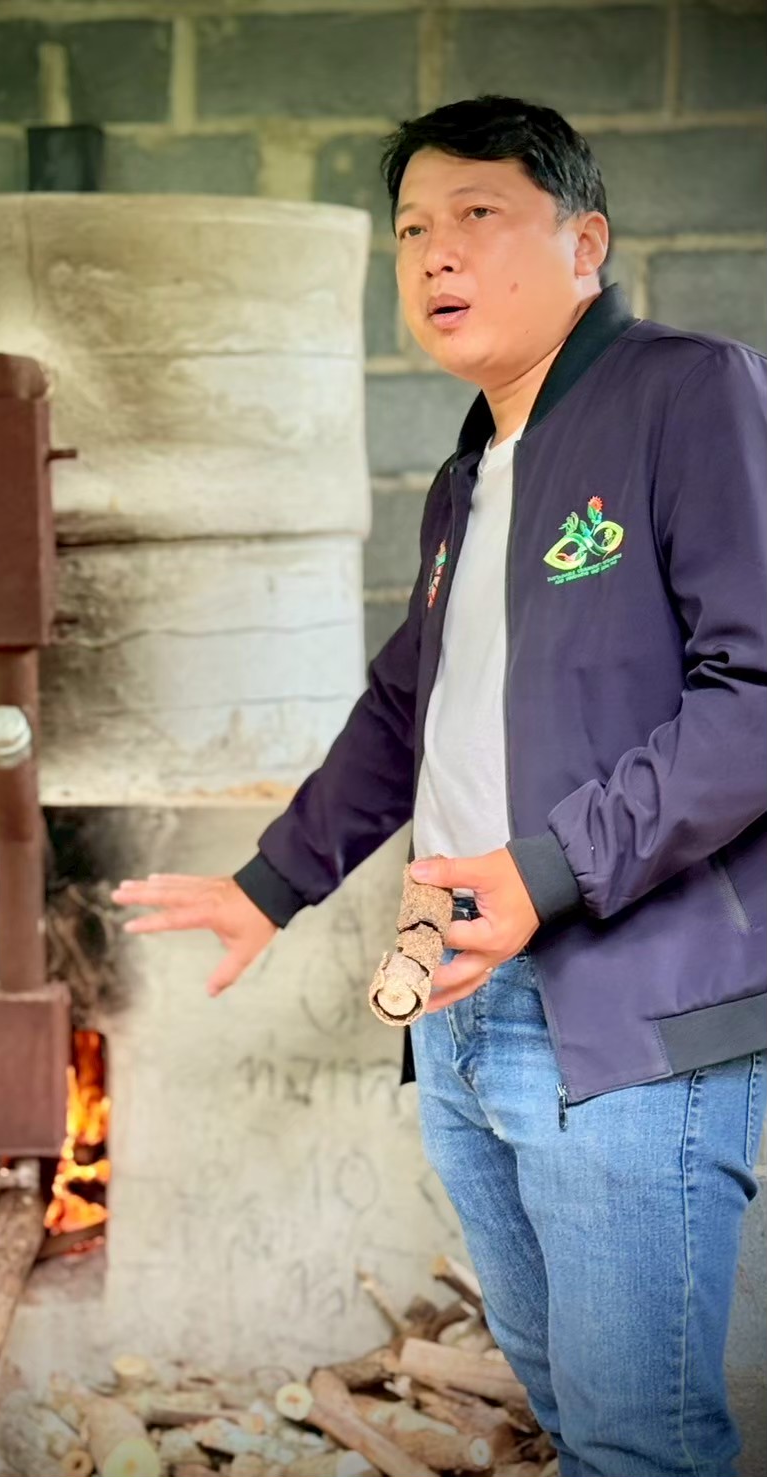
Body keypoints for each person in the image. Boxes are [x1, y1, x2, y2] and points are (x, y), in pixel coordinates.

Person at [111, 95, 767, 1477]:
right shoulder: (467, 477)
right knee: (575, 1419)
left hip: (626, 1019)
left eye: (479, 215)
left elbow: (756, 699)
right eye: (412, 229)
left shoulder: (688, 393)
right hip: (466, 1008)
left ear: (585, 243)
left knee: (639, 1444)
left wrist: (546, 871)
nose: (436, 253)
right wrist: (268, 886)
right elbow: (406, 709)